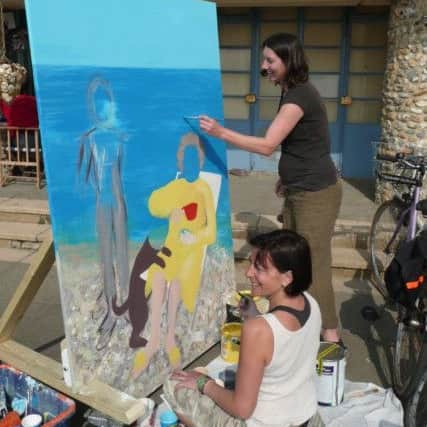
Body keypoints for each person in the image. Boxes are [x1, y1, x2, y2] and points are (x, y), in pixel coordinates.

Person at [199, 33, 342, 344]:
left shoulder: (299, 96)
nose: (264, 67)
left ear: (289, 60)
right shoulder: (291, 91)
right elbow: (304, 143)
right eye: (263, 60)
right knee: (293, 262)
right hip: (299, 188)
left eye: (270, 61)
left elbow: (267, 145)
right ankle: (302, 328)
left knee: (312, 265)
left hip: (315, 194)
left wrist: (221, 132)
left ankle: (331, 341)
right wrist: (286, 178)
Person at [163, 229, 324, 427]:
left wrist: (203, 383)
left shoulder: (258, 330)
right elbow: (284, 344)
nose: (248, 273)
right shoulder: (311, 303)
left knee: (173, 384)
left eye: (259, 268)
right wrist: (253, 315)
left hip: (266, 422)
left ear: (287, 278)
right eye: (250, 263)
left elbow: (242, 409)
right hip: (305, 417)